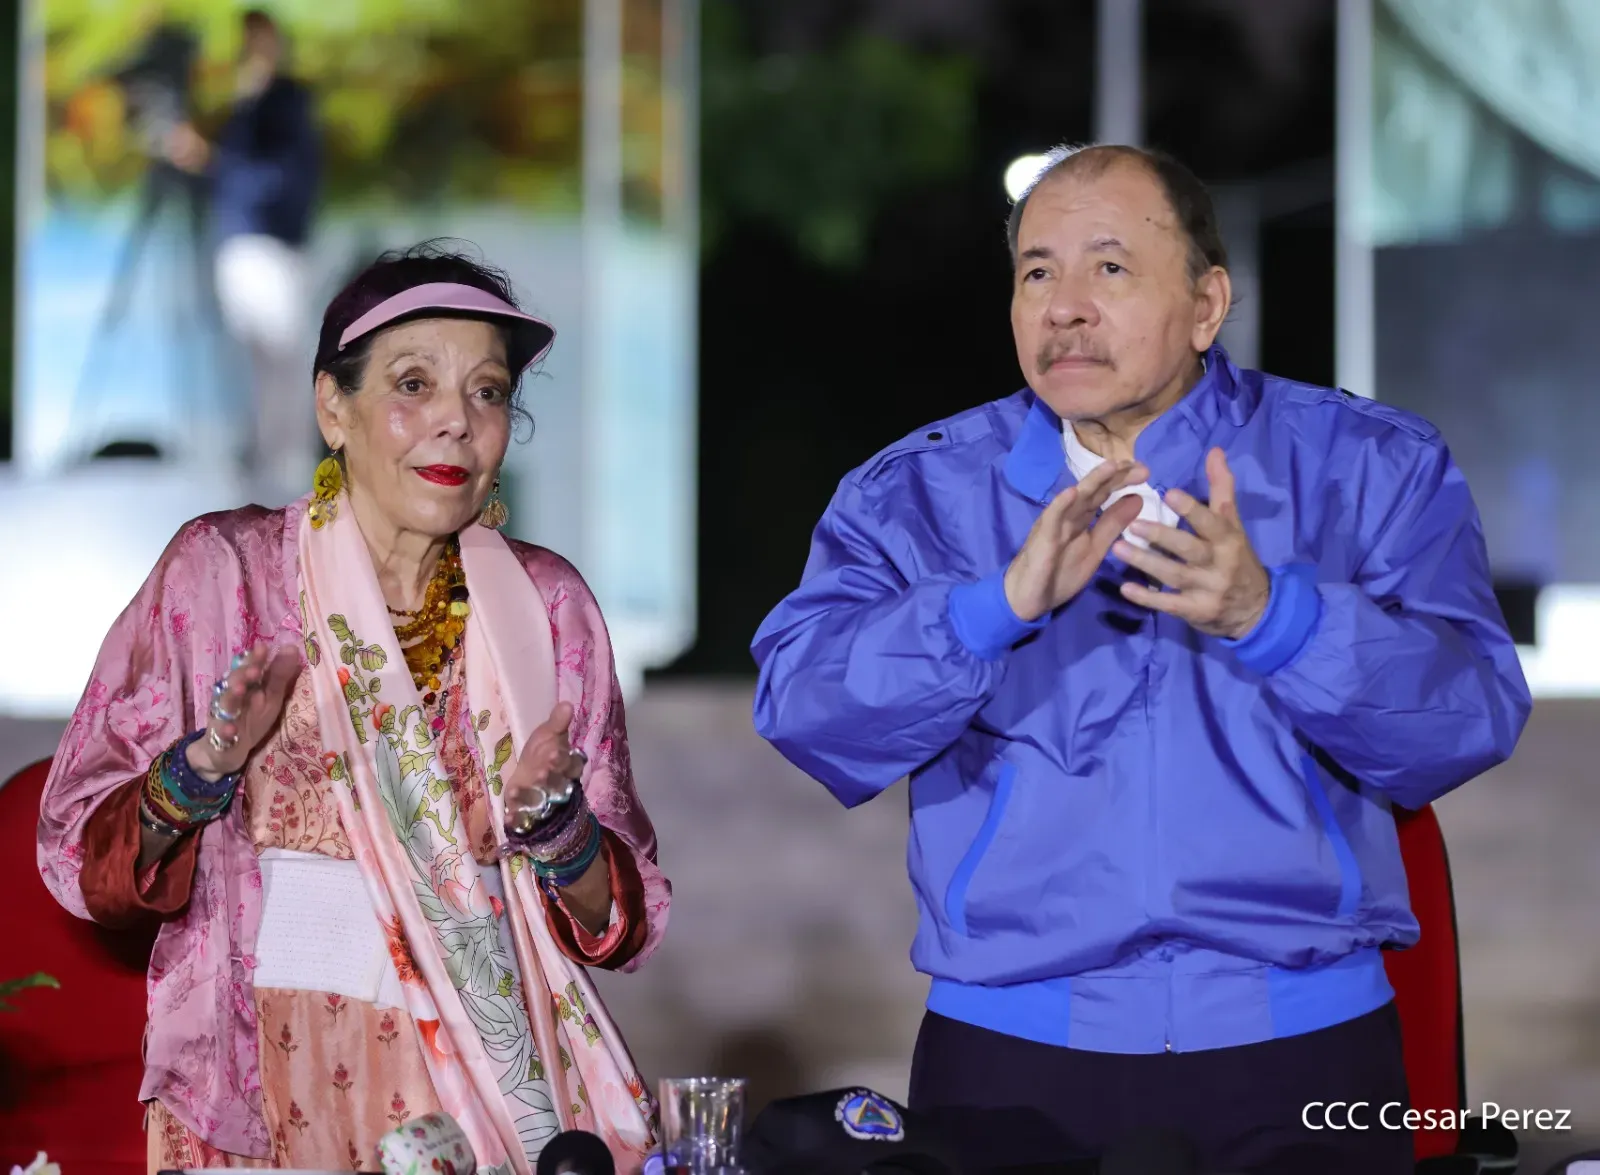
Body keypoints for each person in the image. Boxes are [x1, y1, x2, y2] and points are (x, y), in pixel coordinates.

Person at [749, 144, 1531, 1174]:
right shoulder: (916, 495)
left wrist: (1277, 618)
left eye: (1109, 267)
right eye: (1037, 271)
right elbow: (804, 711)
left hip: (1304, 1051)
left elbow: (1469, 719)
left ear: (1207, 305)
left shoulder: (1367, 465)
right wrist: (988, 612)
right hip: (1010, 1053)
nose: (1065, 308)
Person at [38, 244, 669, 1175]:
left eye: (488, 392)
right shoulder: (227, 573)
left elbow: (622, 923)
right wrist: (203, 769)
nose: (456, 420)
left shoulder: (549, 608)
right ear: (333, 407)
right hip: (267, 1076)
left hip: (486, 1088)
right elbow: (78, 854)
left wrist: (558, 830)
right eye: (414, 384)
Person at [165, 8, 321, 503]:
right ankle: (260, 475)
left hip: (273, 247)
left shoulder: (287, 104)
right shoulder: (243, 106)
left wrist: (211, 158)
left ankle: (289, 480)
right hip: (239, 246)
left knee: (282, 367)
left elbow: (278, 178)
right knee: (253, 368)